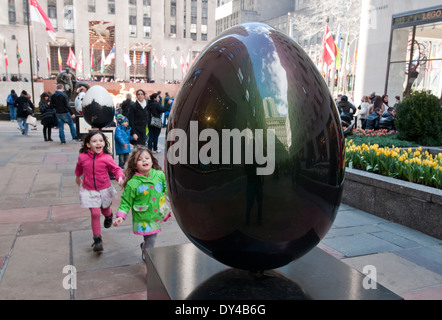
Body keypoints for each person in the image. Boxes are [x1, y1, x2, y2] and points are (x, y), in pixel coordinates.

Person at [113, 146, 171, 261]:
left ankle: (145, 247)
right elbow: (126, 201)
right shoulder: (133, 183)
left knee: (151, 238)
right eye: (140, 159)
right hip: (144, 218)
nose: (144, 160)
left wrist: (176, 199)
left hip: (158, 213)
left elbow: (167, 189)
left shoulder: (159, 175)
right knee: (151, 240)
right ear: (134, 165)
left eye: (147, 158)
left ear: (151, 160)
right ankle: (149, 267)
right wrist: (120, 216)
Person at [75, 130, 125, 253]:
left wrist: (120, 177)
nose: (98, 143)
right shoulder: (82, 157)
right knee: (95, 213)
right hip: (89, 190)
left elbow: (116, 169)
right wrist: (78, 177)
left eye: (101, 140)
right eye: (94, 141)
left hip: (104, 189)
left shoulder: (107, 158)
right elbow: (79, 167)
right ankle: (97, 240)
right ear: (88, 144)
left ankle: (108, 216)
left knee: (105, 210)